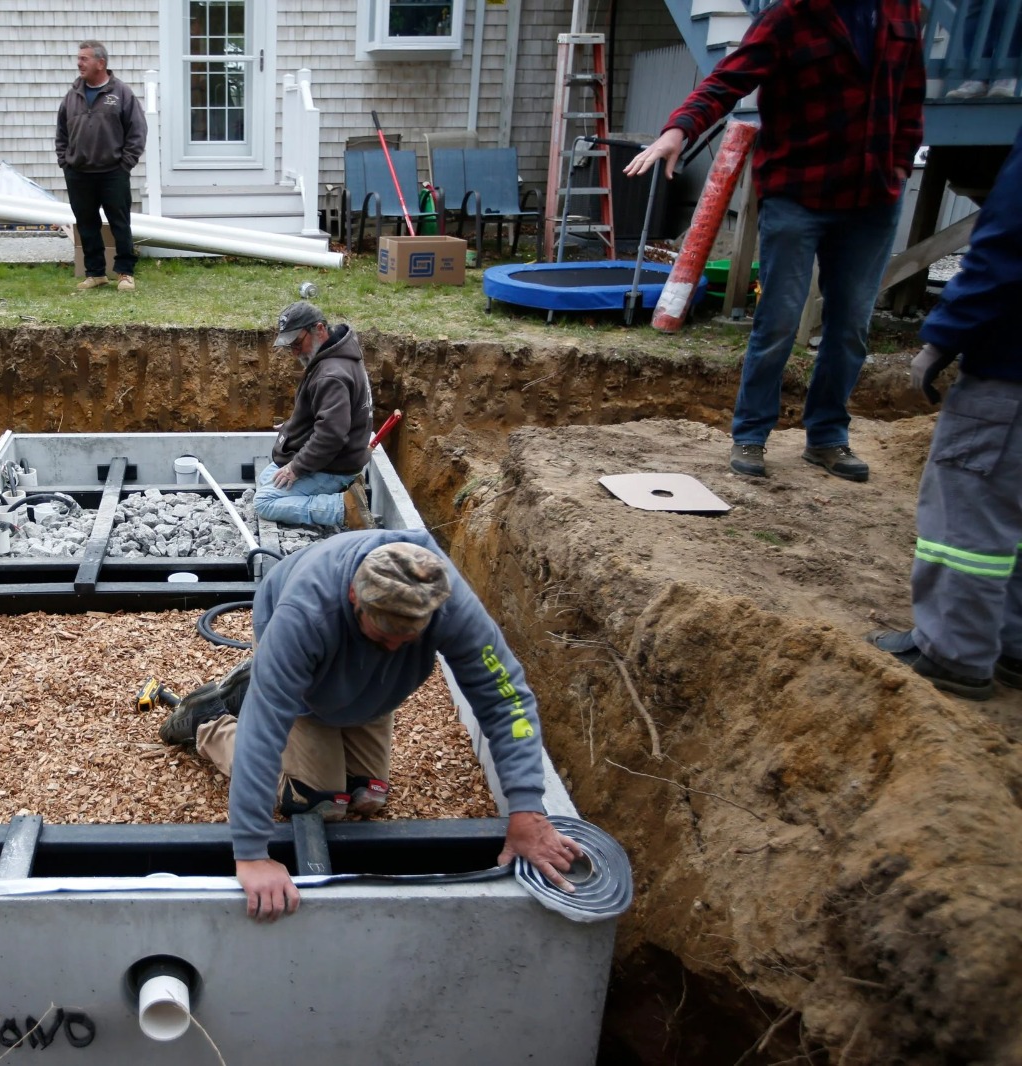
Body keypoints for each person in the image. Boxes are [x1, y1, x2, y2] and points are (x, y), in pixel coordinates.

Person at [159, 531, 583, 922]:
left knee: (367, 796)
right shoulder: (305, 614)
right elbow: (264, 729)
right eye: (383, 639)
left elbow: (506, 700)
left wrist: (527, 810)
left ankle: (325, 691)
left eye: (408, 642)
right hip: (304, 659)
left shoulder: (442, 599)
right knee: (319, 801)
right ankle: (212, 720)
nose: (395, 648)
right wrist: (251, 853)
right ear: (353, 596)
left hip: (370, 688)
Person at [623, 0, 925, 482]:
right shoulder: (792, 14)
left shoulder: (903, 10)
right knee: (780, 318)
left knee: (850, 325)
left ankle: (827, 437)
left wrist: (900, 163)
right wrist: (680, 128)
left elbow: (910, 96)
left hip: (873, 197)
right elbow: (728, 80)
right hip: (798, 192)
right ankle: (752, 433)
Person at [867, 125, 1022, 702]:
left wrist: (944, 335)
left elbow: (1004, 245)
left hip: (1009, 371)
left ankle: (952, 651)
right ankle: (1013, 646)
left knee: (967, 517)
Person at [252, 302, 375, 531]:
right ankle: (344, 491)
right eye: (290, 347)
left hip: (334, 465)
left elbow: (331, 435)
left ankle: (344, 508)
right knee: (267, 479)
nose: (295, 352)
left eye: (297, 343)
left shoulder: (331, 375)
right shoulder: (337, 353)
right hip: (334, 458)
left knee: (264, 502)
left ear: (319, 329)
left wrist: (296, 468)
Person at [56, 40, 146, 293]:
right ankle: (95, 273)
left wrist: (125, 164)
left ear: (101, 63)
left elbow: (137, 132)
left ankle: (125, 273)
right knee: (86, 224)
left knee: (120, 223)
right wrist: (66, 162)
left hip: (112, 173)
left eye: (84, 58)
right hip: (79, 173)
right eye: (79, 58)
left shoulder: (121, 93)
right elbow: (61, 133)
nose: (79, 63)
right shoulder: (72, 96)